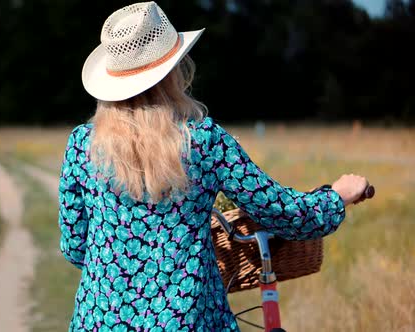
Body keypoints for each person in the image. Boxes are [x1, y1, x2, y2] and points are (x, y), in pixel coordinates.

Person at [58, 2, 369, 331]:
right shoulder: (205, 142)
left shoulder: (82, 145)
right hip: (190, 321)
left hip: (100, 321)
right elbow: (283, 213)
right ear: (174, 70)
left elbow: (75, 245)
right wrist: (338, 195)